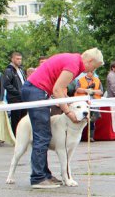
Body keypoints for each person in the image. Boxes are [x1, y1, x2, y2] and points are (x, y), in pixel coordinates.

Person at [20, 49, 104, 188]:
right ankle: (38, 178)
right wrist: (69, 112)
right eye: (94, 67)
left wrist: (72, 104)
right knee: (42, 135)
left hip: (37, 90)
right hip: (36, 90)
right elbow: (57, 90)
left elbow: (59, 90)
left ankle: (44, 174)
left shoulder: (73, 61)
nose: (92, 70)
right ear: (89, 61)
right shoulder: (74, 64)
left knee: (44, 134)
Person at [75, 68, 103, 139]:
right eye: (90, 71)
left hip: (94, 103)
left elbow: (101, 92)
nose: (92, 73)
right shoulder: (80, 80)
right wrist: (86, 90)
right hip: (83, 103)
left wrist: (93, 92)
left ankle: (91, 137)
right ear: (87, 72)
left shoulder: (97, 80)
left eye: (93, 71)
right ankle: (79, 137)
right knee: (81, 119)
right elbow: (77, 89)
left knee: (92, 120)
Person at [3, 52, 27, 136]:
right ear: (12, 59)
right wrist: (18, 92)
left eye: (20, 59)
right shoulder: (8, 70)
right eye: (17, 59)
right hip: (14, 99)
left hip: (23, 98)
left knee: (23, 119)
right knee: (16, 119)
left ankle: (23, 136)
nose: (19, 61)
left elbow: (24, 82)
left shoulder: (21, 70)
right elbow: (6, 84)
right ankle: (16, 137)